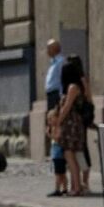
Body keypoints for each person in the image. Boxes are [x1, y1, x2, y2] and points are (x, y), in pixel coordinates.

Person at [50, 56, 91, 197]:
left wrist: (58, 121)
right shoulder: (72, 87)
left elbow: (67, 107)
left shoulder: (73, 87)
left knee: (70, 156)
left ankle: (77, 187)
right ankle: (75, 186)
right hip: (70, 124)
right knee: (71, 157)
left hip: (72, 125)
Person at [44, 38, 67, 197]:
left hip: (56, 96)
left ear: (55, 49)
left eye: (49, 48)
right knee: (51, 121)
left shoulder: (60, 62)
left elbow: (60, 82)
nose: (47, 51)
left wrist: (59, 101)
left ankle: (62, 188)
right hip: (50, 95)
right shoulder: (52, 62)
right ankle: (61, 187)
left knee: (55, 121)